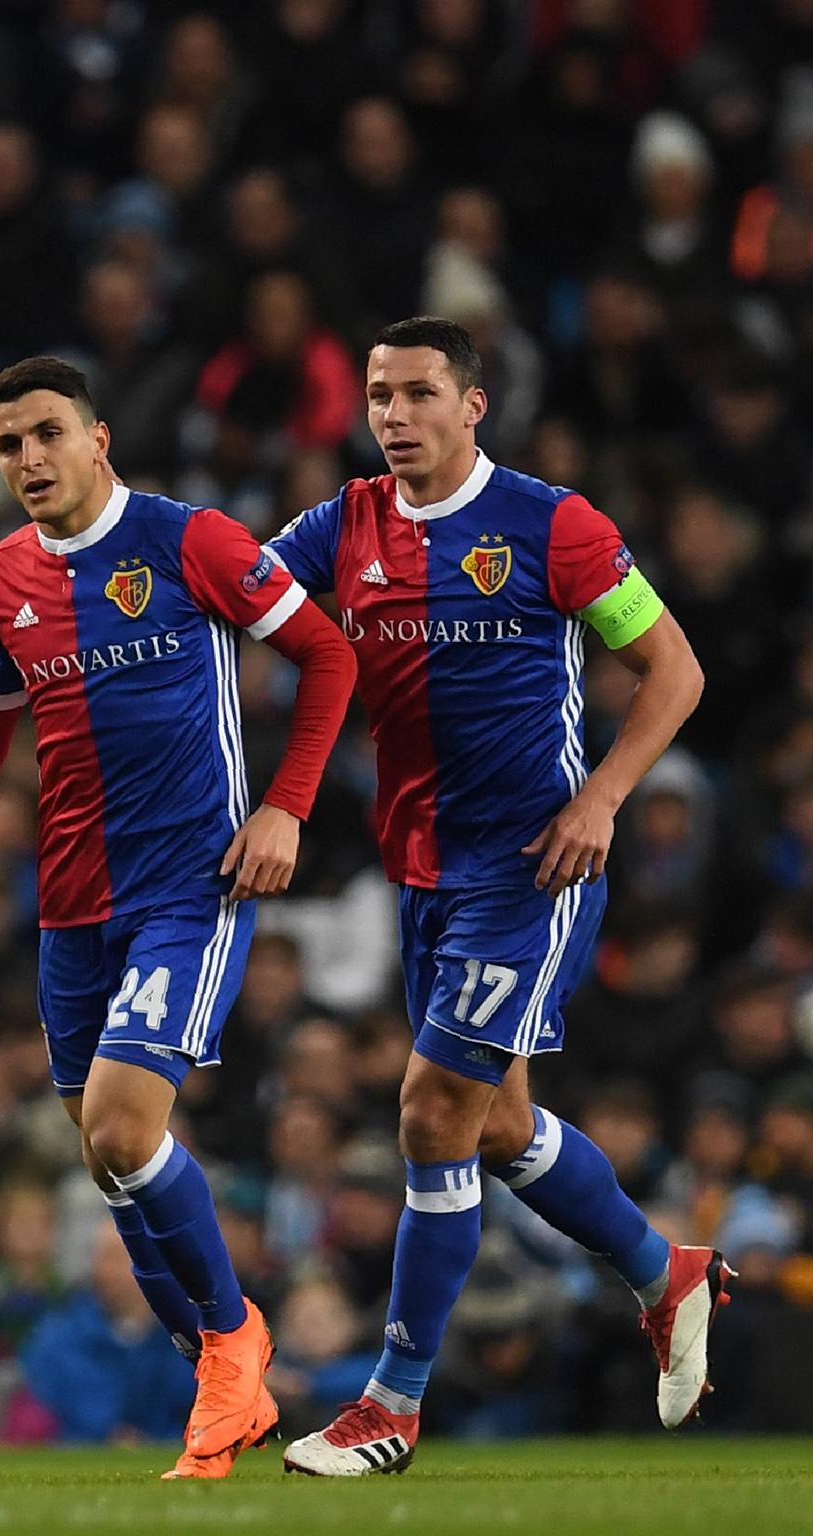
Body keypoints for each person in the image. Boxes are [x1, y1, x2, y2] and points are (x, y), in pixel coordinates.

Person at [0, 355, 357, 1479]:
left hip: (190, 885)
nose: (26, 460)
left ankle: (232, 1345)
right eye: (6, 444)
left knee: (125, 1131)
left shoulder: (194, 543)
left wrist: (283, 808)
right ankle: (220, 1383)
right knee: (105, 1156)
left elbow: (327, 654)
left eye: (44, 434)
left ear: (96, 439)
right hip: (68, 904)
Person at [269, 315, 716, 1477]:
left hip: (531, 867)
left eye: (419, 394)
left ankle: (391, 1404)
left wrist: (603, 799)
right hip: (418, 867)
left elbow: (673, 669)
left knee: (428, 1112)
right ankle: (659, 1272)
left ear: (473, 405)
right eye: (377, 396)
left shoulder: (551, 526)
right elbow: (241, 590)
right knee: (498, 1123)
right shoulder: (344, 526)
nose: (394, 416)